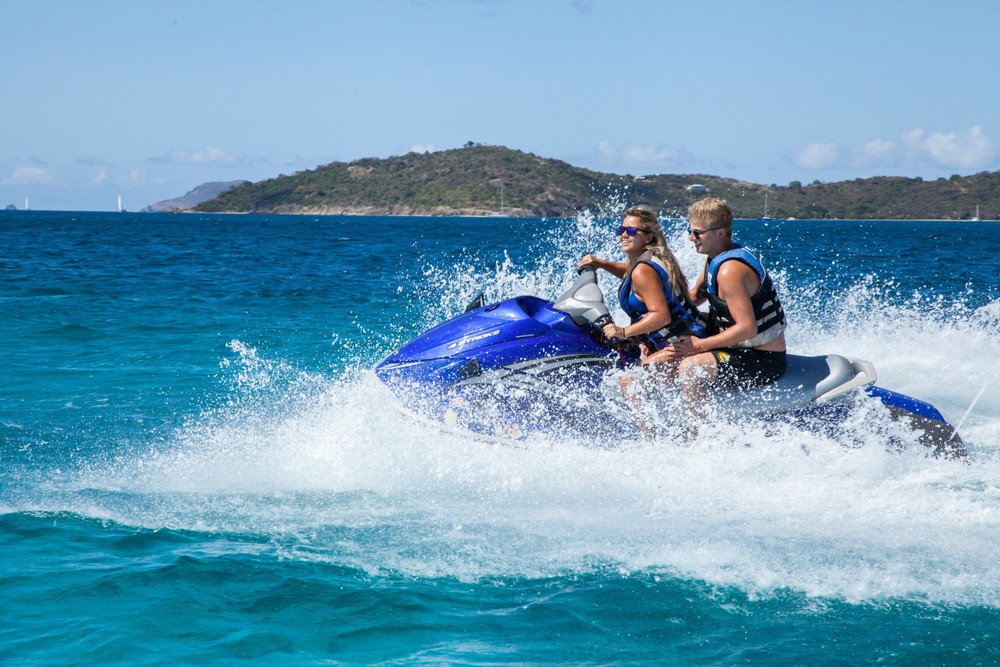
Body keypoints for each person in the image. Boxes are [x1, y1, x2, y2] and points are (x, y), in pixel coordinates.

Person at [667, 198, 787, 416]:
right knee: (675, 328)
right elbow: (694, 297)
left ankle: (696, 437)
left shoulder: (730, 271)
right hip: (738, 349)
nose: (691, 238)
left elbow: (747, 328)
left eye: (697, 233)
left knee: (690, 368)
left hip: (763, 360)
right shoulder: (715, 259)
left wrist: (699, 346)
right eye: (690, 231)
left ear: (720, 233)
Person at [577, 206, 709, 374]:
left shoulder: (643, 270)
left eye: (631, 230)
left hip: (679, 345)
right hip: (684, 337)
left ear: (648, 237)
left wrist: (624, 332)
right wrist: (602, 264)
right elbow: (631, 274)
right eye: (621, 229)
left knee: (629, 379)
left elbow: (661, 316)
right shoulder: (651, 261)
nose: (624, 234)